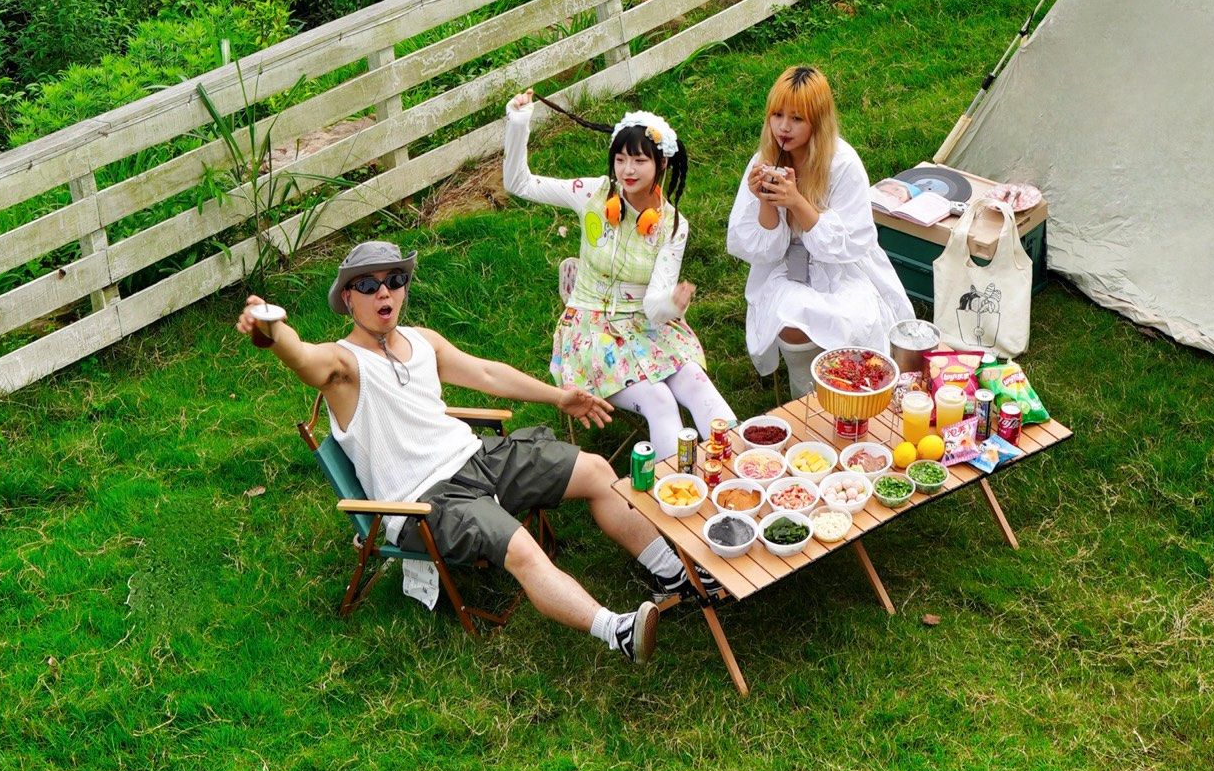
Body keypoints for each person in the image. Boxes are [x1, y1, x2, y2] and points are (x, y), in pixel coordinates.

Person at [237, 235, 699, 662]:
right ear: (347, 298)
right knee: (522, 549)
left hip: (477, 458)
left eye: (395, 280)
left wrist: (560, 397)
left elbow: (487, 375)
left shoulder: (422, 341)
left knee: (598, 470)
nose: (385, 292)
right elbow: (300, 355)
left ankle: (675, 577)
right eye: (368, 284)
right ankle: (616, 631)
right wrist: (270, 327)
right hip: (426, 501)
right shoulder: (342, 365)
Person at [500, 90, 737, 474]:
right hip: (590, 331)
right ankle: (679, 490)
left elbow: (654, 306)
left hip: (647, 327)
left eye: (639, 160)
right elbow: (520, 184)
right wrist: (518, 122)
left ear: (661, 164)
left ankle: (743, 465)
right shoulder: (593, 193)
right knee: (660, 400)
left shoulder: (673, 225)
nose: (627, 169)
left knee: (694, 378)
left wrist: (673, 306)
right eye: (621, 158)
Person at [727, 62, 912, 395]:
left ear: (818, 121)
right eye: (777, 115)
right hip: (786, 266)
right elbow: (762, 249)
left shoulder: (842, 164)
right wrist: (767, 200)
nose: (783, 127)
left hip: (842, 268)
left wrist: (797, 201)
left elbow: (848, 244)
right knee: (790, 316)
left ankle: (845, 388)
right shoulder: (765, 158)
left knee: (847, 319)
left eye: (797, 119)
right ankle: (805, 393)